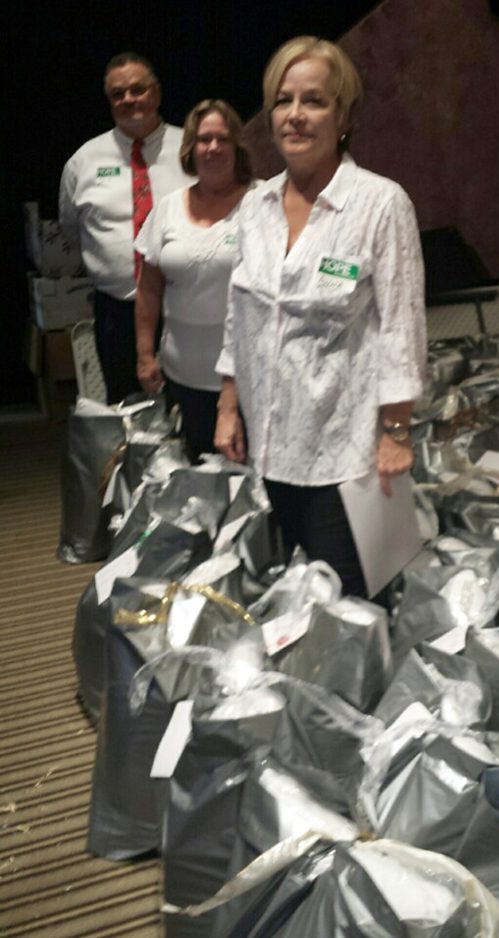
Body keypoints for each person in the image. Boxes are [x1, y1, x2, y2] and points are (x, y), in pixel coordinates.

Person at [214, 36, 427, 597]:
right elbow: (240, 314)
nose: (295, 115)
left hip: (343, 453)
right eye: (283, 100)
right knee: (293, 589)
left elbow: (402, 328)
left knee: (350, 602)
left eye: (314, 101)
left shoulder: (381, 205)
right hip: (269, 442)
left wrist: (396, 432)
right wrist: (228, 405)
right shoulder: (255, 207)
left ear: (344, 116)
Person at [59, 52, 187, 404]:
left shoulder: (193, 148)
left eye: (138, 89)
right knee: (126, 409)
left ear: (156, 93)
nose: (129, 99)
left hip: (186, 307)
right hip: (118, 313)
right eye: (118, 94)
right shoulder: (83, 161)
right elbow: (72, 230)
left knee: (189, 406)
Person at [135, 99, 254, 460]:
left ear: (237, 146)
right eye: (204, 139)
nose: (213, 147)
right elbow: (149, 287)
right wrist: (145, 355)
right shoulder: (168, 208)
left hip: (250, 379)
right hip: (182, 376)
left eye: (222, 139)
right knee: (198, 479)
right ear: (190, 148)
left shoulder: (263, 201)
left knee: (251, 479)